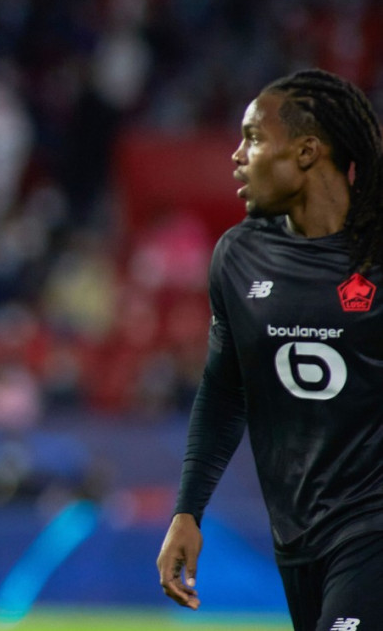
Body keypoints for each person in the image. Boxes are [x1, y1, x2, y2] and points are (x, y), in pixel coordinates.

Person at [156, 68, 383, 631]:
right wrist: (188, 510)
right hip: (298, 537)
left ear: (308, 151)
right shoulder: (240, 257)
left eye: (254, 138)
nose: (237, 156)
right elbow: (225, 390)